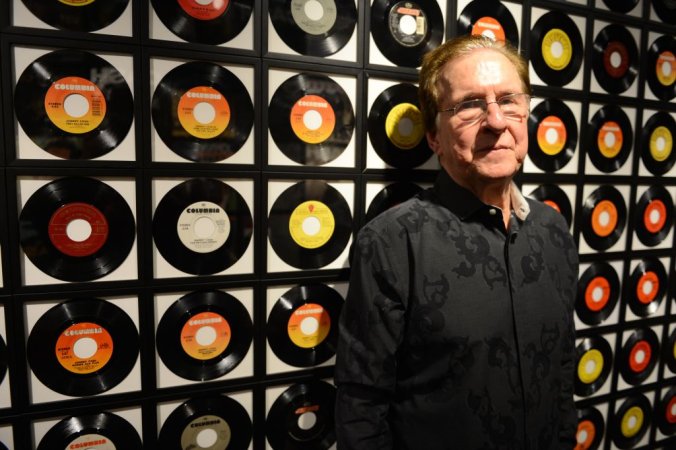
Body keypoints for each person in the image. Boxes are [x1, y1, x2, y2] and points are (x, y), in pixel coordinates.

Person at [334, 35, 578, 449]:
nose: (497, 121)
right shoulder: (392, 243)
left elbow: (561, 370)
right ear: (433, 136)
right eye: (470, 105)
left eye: (509, 100)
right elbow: (361, 406)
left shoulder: (554, 230)